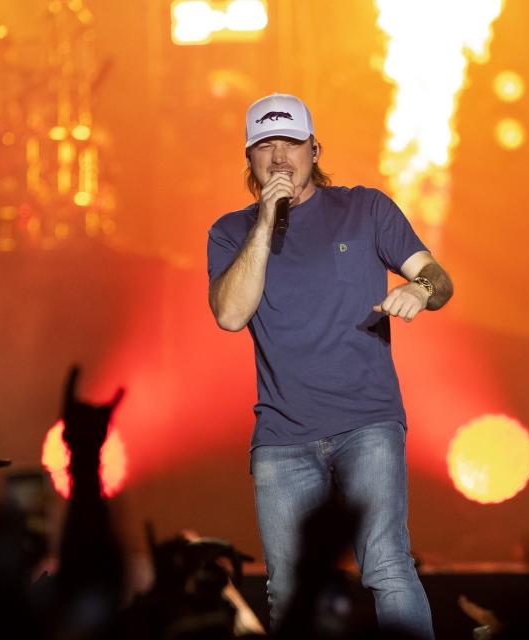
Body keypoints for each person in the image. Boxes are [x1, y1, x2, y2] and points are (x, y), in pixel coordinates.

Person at [206, 93, 453, 639]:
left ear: (314, 149)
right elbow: (230, 314)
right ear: (248, 160)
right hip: (281, 435)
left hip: (367, 422)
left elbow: (439, 278)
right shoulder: (231, 232)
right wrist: (268, 220)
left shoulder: (366, 208)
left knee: (387, 565)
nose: (278, 159)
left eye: (289, 144)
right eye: (264, 147)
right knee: (289, 589)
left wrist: (419, 287)